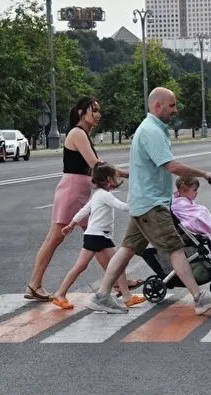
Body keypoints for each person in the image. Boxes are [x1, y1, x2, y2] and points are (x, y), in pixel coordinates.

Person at [86, 87, 211, 315]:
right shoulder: (151, 131)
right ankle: (199, 298)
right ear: (157, 105)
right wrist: (204, 174)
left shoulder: (150, 129)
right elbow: (170, 166)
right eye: (171, 105)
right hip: (152, 204)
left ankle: (102, 295)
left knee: (127, 250)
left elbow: (142, 169)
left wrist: (120, 173)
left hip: (143, 202)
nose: (175, 109)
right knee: (175, 248)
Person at [24, 97, 136, 302]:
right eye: (94, 110)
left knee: (97, 238)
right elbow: (96, 165)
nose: (98, 114)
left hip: (78, 192)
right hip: (72, 192)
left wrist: (125, 174)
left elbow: (97, 167)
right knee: (60, 238)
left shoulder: (83, 134)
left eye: (99, 110)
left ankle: (120, 283)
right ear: (81, 112)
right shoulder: (77, 133)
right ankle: (34, 284)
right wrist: (128, 174)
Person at [52, 163, 145, 309]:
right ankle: (126, 296)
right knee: (117, 263)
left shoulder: (97, 195)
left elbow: (84, 210)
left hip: (95, 235)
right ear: (108, 179)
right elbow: (121, 206)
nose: (116, 179)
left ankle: (61, 293)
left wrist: (71, 224)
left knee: (83, 266)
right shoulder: (105, 195)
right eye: (114, 177)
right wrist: (139, 205)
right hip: (98, 236)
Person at [171, 176, 211, 266]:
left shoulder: (177, 201)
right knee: (207, 220)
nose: (196, 193)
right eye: (194, 190)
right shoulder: (180, 204)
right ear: (183, 190)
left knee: (204, 213)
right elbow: (191, 219)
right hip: (195, 227)